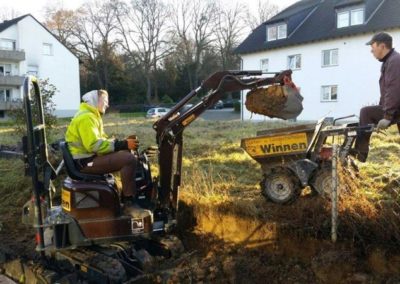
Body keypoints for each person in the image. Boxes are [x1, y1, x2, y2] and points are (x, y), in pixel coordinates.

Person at [65, 89, 151, 218]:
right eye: (105, 101)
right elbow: (94, 145)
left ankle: (127, 196)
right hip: (85, 162)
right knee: (129, 160)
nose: (108, 104)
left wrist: (122, 144)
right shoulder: (86, 118)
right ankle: (129, 204)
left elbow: (101, 140)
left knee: (126, 153)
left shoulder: (91, 115)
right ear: (95, 101)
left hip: (87, 158)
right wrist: (121, 145)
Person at [352, 32, 400, 162]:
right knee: (367, 113)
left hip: (396, 109)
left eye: (372, 46)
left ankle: (359, 157)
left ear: (382, 46)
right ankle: (359, 155)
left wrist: (387, 116)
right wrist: (382, 107)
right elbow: (387, 91)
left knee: (366, 112)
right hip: (396, 108)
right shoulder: (389, 61)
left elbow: (394, 88)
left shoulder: (395, 61)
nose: (371, 51)